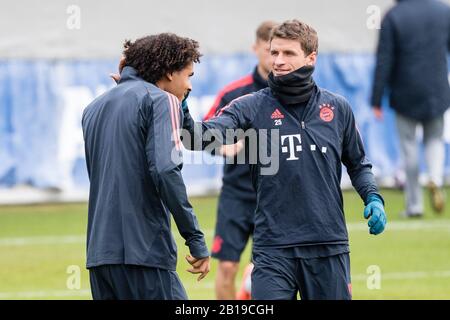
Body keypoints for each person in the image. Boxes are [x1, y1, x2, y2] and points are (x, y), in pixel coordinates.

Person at [182, 19, 387, 300]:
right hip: (272, 250)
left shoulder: (337, 108)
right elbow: (198, 136)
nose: (278, 60)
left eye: (288, 53)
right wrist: (180, 102)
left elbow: (358, 164)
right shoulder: (251, 105)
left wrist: (373, 197)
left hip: (328, 246)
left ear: (311, 57)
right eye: (274, 52)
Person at [82, 33, 210, 300]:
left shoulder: (93, 108)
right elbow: (166, 171)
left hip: (100, 258)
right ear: (169, 72)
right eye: (189, 75)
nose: (189, 86)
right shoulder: (162, 101)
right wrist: (195, 238)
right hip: (146, 253)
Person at [203, 20, 277, 300]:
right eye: (268, 50)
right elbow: (198, 134)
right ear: (255, 48)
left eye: (280, 50)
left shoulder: (292, 95)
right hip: (236, 193)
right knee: (227, 267)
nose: (274, 57)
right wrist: (224, 148)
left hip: (274, 196)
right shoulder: (234, 94)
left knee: (270, 271)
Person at [371, 0, 450, 217]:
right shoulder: (444, 11)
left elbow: (384, 60)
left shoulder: (393, 16)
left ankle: (414, 205)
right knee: (434, 139)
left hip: (405, 92)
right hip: (437, 90)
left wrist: (376, 99)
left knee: (409, 148)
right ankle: (434, 176)